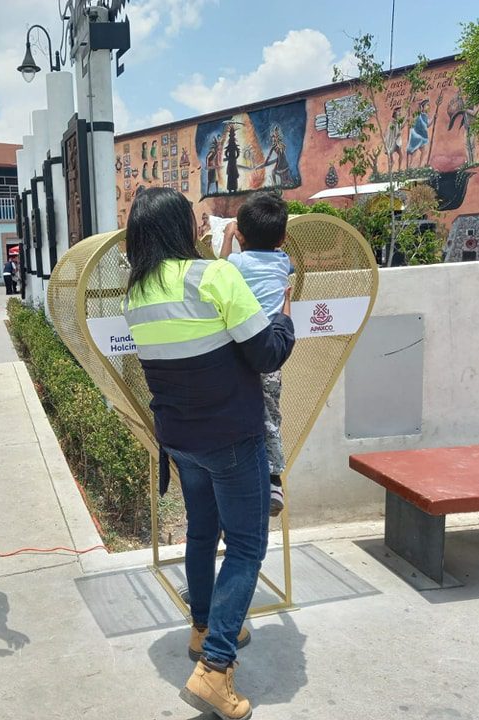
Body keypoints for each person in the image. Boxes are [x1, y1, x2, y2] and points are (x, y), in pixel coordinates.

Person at [122, 187, 293, 720]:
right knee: (246, 546)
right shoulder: (213, 277)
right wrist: (286, 315)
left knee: (201, 532)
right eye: (194, 220)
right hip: (230, 437)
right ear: (179, 229)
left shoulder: (135, 294)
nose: (203, 226)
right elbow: (266, 352)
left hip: (179, 439)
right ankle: (216, 668)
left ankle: (202, 628)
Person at [219, 191, 293, 517]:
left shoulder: (236, 263)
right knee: (271, 415)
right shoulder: (282, 262)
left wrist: (226, 237)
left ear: (240, 235)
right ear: (283, 237)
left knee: (239, 416)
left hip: (238, 352)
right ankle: (274, 479)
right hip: (271, 352)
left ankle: (235, 485)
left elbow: (219, 269)